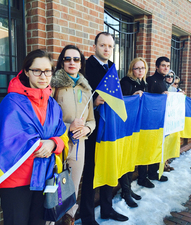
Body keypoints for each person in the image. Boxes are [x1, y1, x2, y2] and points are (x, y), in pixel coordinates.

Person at [0, 49, 68, 225]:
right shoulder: (12, 102)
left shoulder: (53, 105)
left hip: (44, 177)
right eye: (36, 70)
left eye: (47, 71)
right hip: (16, 179)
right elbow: (5, 140)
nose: (43, 76)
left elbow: (62, 135)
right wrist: (40, 145)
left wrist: (54, 143)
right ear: (26, 72)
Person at [80, 32, 128, 225]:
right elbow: (78, 99)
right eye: (103, 46)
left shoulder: (112, 68)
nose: (107, 49)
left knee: (109, 167)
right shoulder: (85, 67)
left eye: (110, 46)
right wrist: (94, 101)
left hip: (110, 130)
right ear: (95, 47)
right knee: (90, 174)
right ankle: (87, 217)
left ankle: (107, 210)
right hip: (92, 130)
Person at [51, 45, 96, 225]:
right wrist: (69, 126)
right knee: (54, 190)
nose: (72, 62)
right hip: (58, 143)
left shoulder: (86, 89)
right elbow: (46, 119)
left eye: (76, 59)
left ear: (81, 63)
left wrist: (87, 129)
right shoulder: (54, 85)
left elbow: (92, 120)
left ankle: (69, 220)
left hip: (79, 145)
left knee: (72, 189)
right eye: (67, 59)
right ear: (62, 62)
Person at [119, 57, 148, 207]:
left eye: (142, 68)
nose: (140, 71)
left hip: (138, 126)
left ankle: (128, 189)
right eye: (137, 68)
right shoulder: (126, 81)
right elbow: (121, 103)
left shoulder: (144, 83)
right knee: (126, 159)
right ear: (132, 69)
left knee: (132, 159)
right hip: (126, 127)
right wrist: (133, 97)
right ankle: (125, 191)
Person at [136, 56, 170, 187]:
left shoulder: (164, 81)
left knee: (156, 146)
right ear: (156, 67)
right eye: (163, 65)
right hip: (147, 122)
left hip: (159, 121)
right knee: (146, 148)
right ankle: (142, 177)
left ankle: (153, 172)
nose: (165, 68)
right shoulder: (150, 80)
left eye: (167, 66)